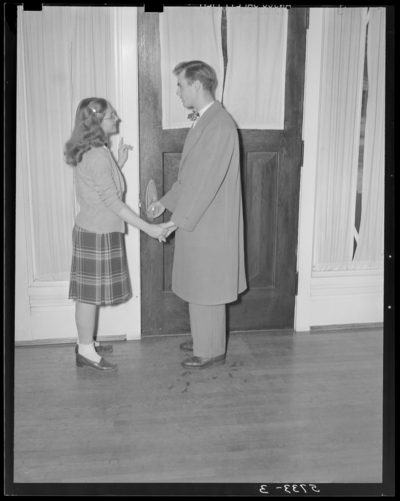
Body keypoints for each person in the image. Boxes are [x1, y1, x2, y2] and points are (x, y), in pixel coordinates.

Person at [148, 61, 247, 369]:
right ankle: (205, 336)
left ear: (196, 85)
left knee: (208, 284)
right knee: (200, 281)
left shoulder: (218, 125)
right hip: (201, 217)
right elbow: (188, 178)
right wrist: (164, 204)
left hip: (210, 220)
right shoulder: (207, 120)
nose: (177, 91)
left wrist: (174, 221)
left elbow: (203, 184)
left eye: (180, 85)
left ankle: (211, 349)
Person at [65, 98, 167, 372]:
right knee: (88, 296)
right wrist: (149, 228)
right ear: (97, 121)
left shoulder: (97, 150)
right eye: (112, 116)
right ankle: (85, 350)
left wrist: (118, 162)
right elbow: (112, 201)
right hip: (96, 233)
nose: (116, 120)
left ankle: (85, 343)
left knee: (90, 295)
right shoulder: (97, 155)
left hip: (96, 230)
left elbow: (101, 190)